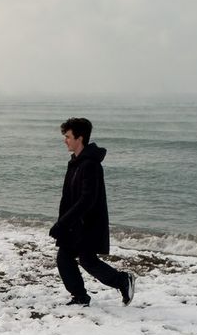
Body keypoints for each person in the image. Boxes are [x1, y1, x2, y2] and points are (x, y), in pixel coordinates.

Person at [50, 117, 136, 307]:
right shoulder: (76, 162)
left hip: (87, 225)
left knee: (87, 260)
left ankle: (123, 280)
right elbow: (70, 197)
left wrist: (63, 223)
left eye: (68, 136)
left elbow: (87, 200)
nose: (65, 140)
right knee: (64, 257)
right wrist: (63, 222)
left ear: (79, 138)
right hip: (74, 224)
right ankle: (80, 296)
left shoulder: (90, 165)